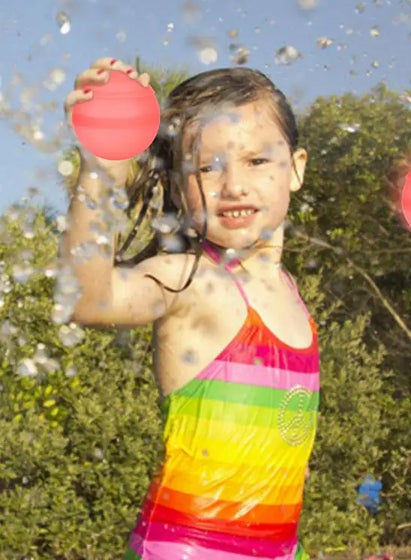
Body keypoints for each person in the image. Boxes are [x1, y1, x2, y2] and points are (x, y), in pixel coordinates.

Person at [61, 58, 319, 560]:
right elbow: (87, 299)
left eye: (257, 161)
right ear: (180, 186)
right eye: (207, 166)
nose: (234, 184)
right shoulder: (190, 279)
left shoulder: (292, 295)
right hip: (186, 550)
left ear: (296, 169)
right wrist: (99, 172)